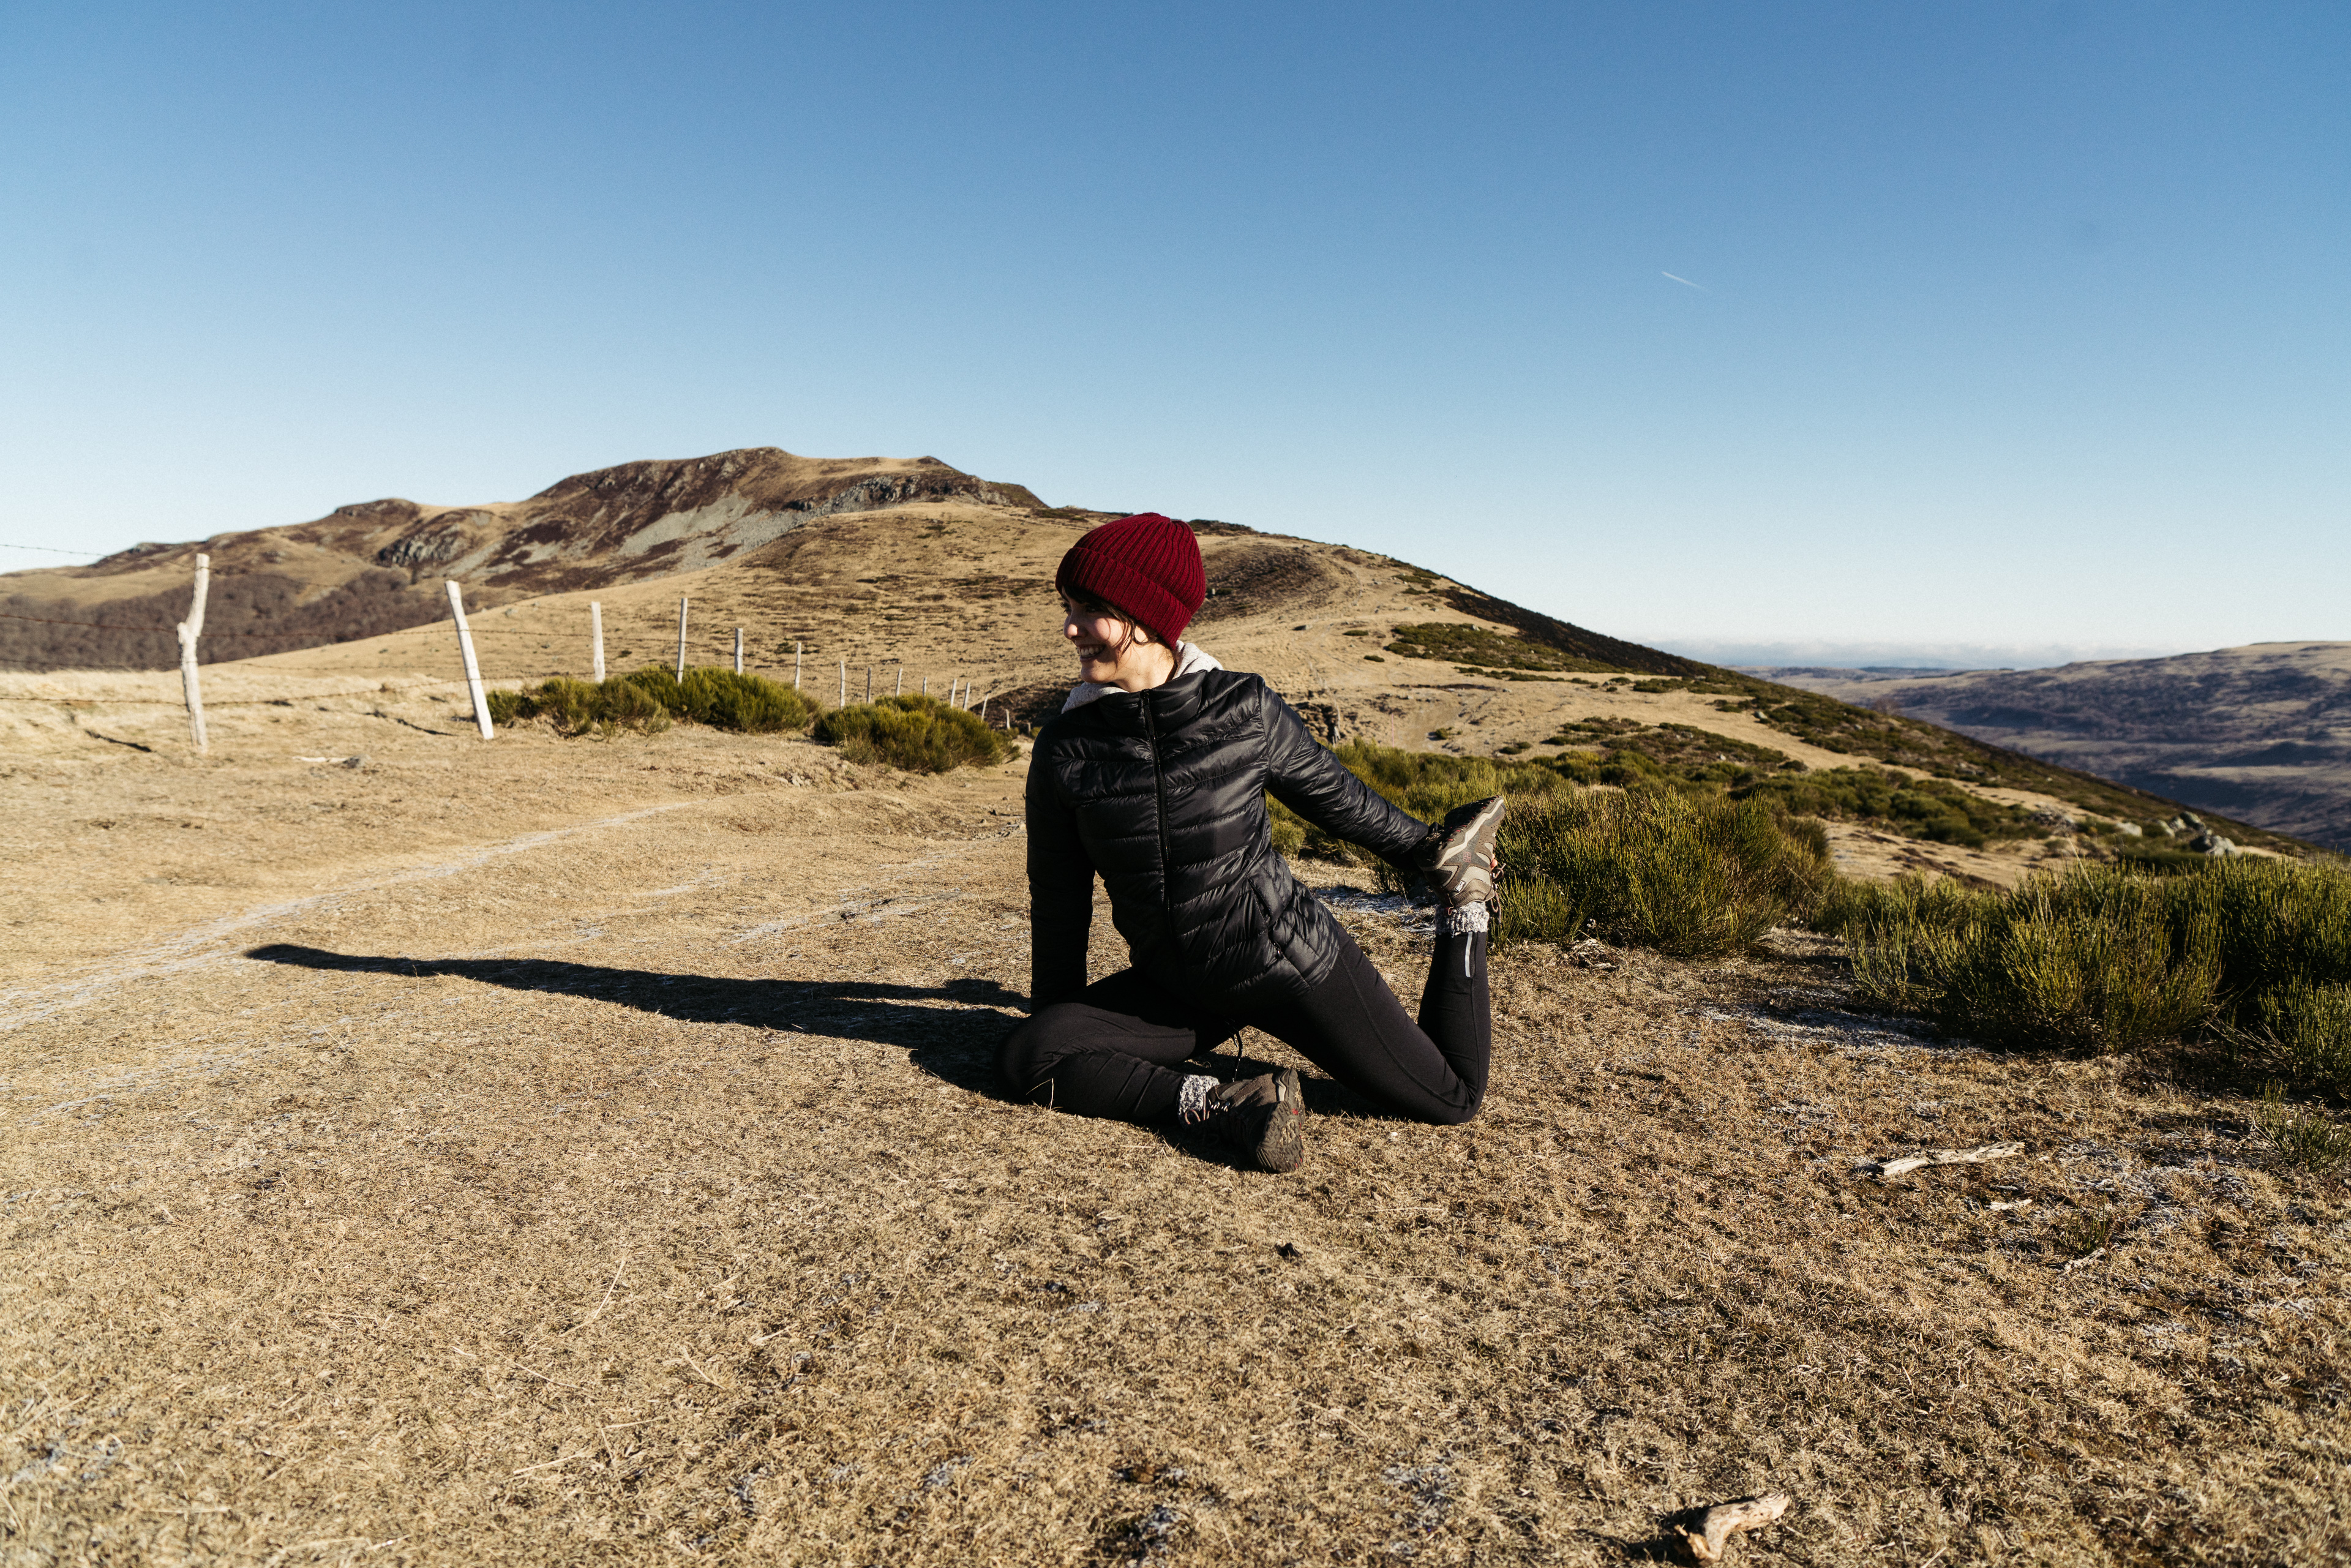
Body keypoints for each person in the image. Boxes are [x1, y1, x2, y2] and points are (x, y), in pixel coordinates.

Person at [999, 512, 1505, 1172]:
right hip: (1178, 987)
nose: (1069, 627)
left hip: (1287, 963)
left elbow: (1340, 802)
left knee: (1450, 1097)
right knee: (1028, 1052)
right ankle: (1227, 1101)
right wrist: (1064, 1025)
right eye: (1067, 606)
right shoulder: (1066, 750)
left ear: (1145, 617)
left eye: (1089, 608)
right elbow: (1059, 902)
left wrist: (1435, 855)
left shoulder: (1242, 708)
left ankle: (1465, 910)